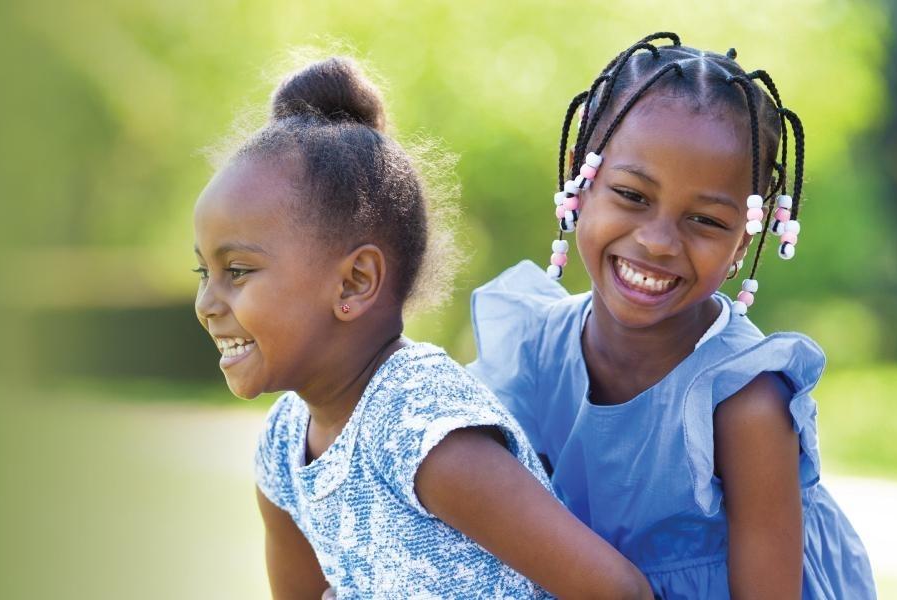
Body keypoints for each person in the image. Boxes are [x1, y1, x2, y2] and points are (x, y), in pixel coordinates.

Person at [195, 55, 651, 599]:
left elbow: (619, 592)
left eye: (237, 271)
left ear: (354, 283)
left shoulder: (422, 428)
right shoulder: (284, 442)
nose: (206, 301)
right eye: (205, 271)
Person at [468, 32, 877, 598]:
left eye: (706, 221)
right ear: (579, 178)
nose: (658, 242)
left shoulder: (743, 403)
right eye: (632, 196)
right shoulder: (531, 351)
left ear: (744, 239)